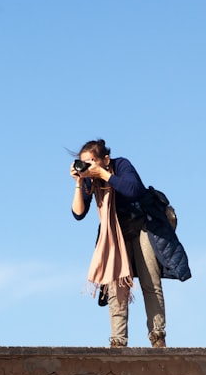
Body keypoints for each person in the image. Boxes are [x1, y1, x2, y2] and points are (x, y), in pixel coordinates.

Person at [70, 139, 191, 348]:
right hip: (116, 234)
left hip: (144, 225)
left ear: (105, 159)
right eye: (84, 163)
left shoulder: (121, 165)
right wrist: (79, 182)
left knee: (149, 280)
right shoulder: (90, 180)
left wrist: (106, 175)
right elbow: (78, 213)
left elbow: (134, 189)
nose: (89, 167)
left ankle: (158, 337)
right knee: (116, 286)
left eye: (92, 162)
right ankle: (118, 342)